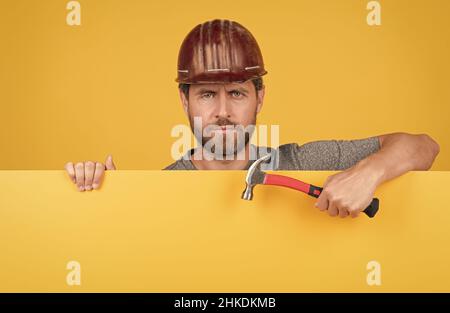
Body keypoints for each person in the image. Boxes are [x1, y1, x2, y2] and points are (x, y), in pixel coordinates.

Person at [64, 19, 440, 218]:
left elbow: (423, 147)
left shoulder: (302, 164)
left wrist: (367, 174)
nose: (223, 112)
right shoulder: (162, 191)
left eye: (238, 93)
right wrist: (101, 200)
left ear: (260, 97)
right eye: (207, 94)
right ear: (185, 100)